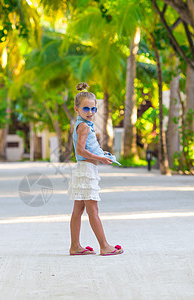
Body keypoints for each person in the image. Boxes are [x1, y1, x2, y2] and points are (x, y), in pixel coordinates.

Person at [67, 82, 124, 256]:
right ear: (77, 109)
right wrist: (101, 158)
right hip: (86, 171)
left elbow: (87, 149)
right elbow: (80, 151)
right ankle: (104, 246)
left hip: (83, 170)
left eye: (93, 109)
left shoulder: (83, 124)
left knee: (78, 210)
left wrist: (101, 153)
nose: (90, 112)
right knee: (93, 210)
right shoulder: (84, 126)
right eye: (86, 109)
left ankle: (75, 246)